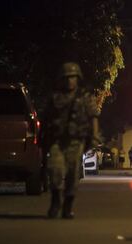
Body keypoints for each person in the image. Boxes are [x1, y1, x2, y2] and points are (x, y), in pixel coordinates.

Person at [43, 62, 99, 219]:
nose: (70, 81)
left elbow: (93, 117)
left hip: (76, 141)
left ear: (78, 78)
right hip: (57, 141)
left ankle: (67, 205)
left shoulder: (85, 97)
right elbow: (46, 118)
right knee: (55, 170)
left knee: (72, 174)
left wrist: (94, 137)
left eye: (73, 77)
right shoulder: (55, 97)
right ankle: (55, 201)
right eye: (66, 78)